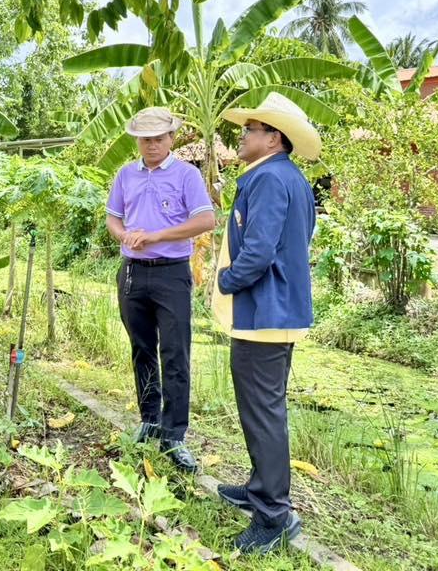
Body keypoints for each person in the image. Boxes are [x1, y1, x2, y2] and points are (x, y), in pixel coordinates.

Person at [211, 92, 320, 554]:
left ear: (272, 139)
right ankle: (261, 489)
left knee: (263, 411)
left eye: (249, 130)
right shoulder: (283, 176)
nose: (242, 136)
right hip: (272, 313)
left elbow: (259, 250)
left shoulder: (272, 179)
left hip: (266, 314)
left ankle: (274, 515)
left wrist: (228, 279)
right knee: (263, 409)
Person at [105, 107, 216, 473]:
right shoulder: (126, 174)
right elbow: (113, 217)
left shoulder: (186, 175)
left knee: (175, 353)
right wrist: (124, 236)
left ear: (171, 139)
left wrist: (155, 236)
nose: (151, 145)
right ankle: (149, 419)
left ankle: (174, 435)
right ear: (137, 140)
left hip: (171, 274)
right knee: (141, 350)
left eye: (158, 138)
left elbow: (205, 220)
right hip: (133, 272)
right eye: (144, 139)